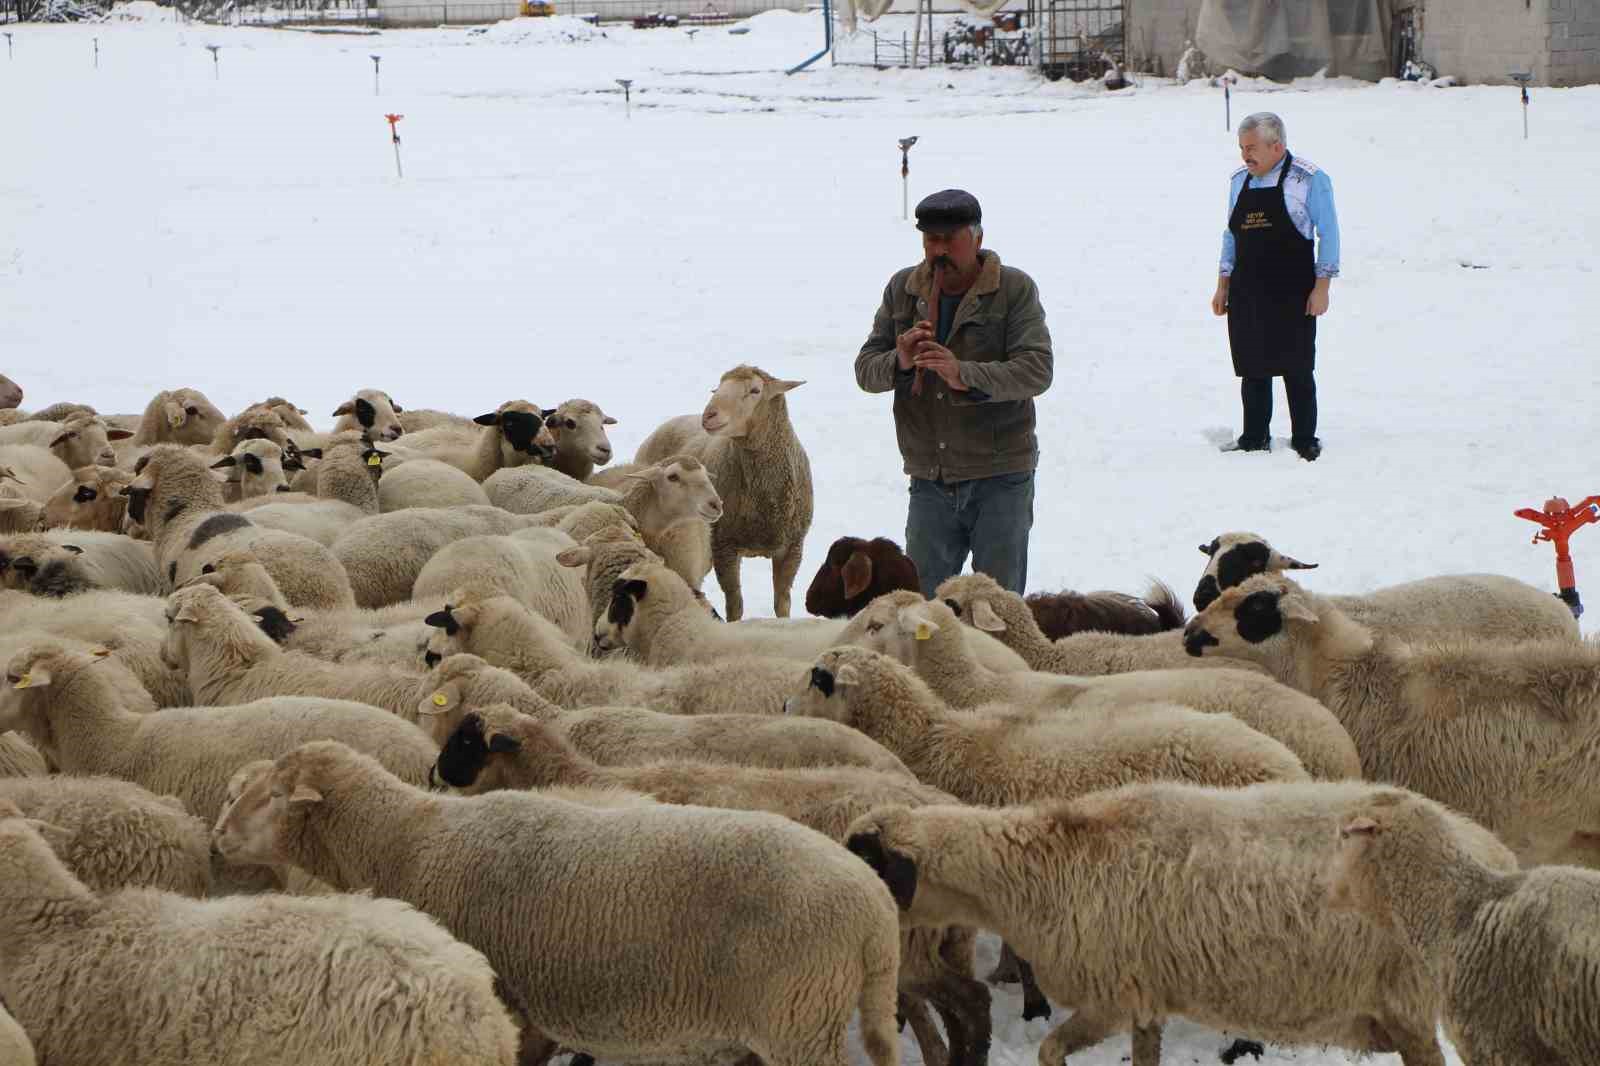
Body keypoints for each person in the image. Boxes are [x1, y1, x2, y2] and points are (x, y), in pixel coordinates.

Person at [855, 189, 1053, 598]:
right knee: (920, 609)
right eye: (931, 240)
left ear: (977, 238)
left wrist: (963, 374)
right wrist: (901, 360)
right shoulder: (903, 290)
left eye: (950, 240)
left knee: (997, 612)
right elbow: (866, 371)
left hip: (1000, 478)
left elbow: (1037, 370)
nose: (939, 250)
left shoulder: (1014, 289)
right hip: (930, 478)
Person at [1211, 111, 1341, 461]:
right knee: (1252, 366)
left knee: (1297, 366)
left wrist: (1322, 287)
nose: (1245, 156)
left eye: (1251, 148)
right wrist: (1223, 284)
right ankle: (1254, 436)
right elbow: (1231, 235)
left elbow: (1329, 234)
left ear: (1277, 146)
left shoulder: (1310, 179)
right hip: (1247, 287)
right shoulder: (1240, 180)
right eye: (1242, 148)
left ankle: (1304, 438)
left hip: (1293, 289)